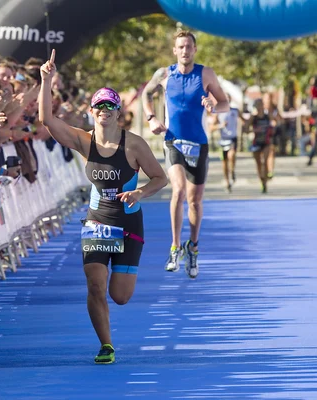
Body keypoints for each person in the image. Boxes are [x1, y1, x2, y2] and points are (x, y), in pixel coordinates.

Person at [39, 49, 168, 364]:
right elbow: (46, 120)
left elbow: (160, 178)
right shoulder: (84, 141)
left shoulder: (134, 144)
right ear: (92, 111)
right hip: (97, 223)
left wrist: (139, 193)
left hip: (128, 225)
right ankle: (106, 345)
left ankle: (113, 310)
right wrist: (45, 81)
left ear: (118, 111)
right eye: (99, 105)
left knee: (119, 296)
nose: (104, 110)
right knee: (95, 284)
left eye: (110, 105)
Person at [142, 30, 229, 279]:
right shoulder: (164, 74)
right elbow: (146, 95)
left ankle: (193, 246)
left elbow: (225, 103)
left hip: (198, 143)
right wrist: (150, 118)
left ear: (195, 49)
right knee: (177, 190)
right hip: (173, 141)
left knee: (194, 201)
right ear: (174, 50)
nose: (185, 51)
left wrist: (214, 106)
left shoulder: (206, 74)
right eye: (180, 47)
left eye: (189, 46)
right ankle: (174, 247)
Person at [213, 94, 243, 192]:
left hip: (233, 138)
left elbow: (244, 120)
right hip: (223, 139)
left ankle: (233, 171)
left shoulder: (235, 110)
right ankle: (227, 181)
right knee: (224, 162)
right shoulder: (218, 112)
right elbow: (211, 127)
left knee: (232, 155)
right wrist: (220, 126)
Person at [249, 98, 272, 193]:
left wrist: (272, 128)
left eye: (261, 104)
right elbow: (246, 129)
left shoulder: (267, 116)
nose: (259, 107)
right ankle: (262, 181)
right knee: (259, 163)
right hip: (256, 142)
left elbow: (274, 122)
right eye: (257, 105)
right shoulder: (253, 118)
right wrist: (255, 130)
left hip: (266, 142)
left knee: (265, 161)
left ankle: (265, 183)